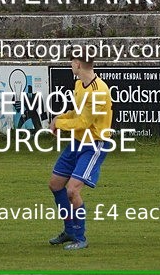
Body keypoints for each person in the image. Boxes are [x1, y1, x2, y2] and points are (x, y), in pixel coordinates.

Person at [48, 48, 113, 250]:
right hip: (77, 141)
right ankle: (69, 230)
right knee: (55, 184)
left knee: (72, 190)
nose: (70, 66)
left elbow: (84, 122)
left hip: (94, 144)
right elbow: (76, 113)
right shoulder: (79, 84)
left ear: (77, 63)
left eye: (71, 62)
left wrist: (59, 124)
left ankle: (80, 237)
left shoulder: (99, 90)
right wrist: (59, 118)